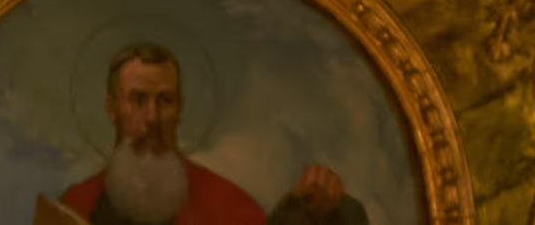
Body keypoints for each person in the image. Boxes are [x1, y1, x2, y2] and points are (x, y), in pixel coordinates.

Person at [32, 41, 357, 225]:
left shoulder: (229, 208)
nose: (152, 117)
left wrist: (316, 208)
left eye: (165, 101)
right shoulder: (76, 206)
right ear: (112, 108)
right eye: (137, 100)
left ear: (180, 108)